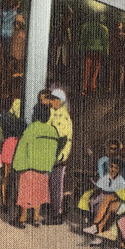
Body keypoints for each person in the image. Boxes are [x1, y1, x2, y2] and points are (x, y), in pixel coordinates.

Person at [10, 109, 59, 228]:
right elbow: (54, 150)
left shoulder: (32, 128)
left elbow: (22, 146)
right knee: (39, 192)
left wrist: (17, 165)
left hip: (29, 167)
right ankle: (36, 218)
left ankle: (22, 218)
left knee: (26, 192)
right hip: (43, 168)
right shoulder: (52, 130)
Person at [44, 88, 73, 225]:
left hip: (58, 157)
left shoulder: (63, 116)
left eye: (54, 99)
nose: (52, 102)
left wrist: (55, 155)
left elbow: (61, 139)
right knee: (50, 184)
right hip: (51, 155)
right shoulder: (54, 113)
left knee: (56, 186)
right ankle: (52, 209)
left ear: (60, 101)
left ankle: (57, 214)